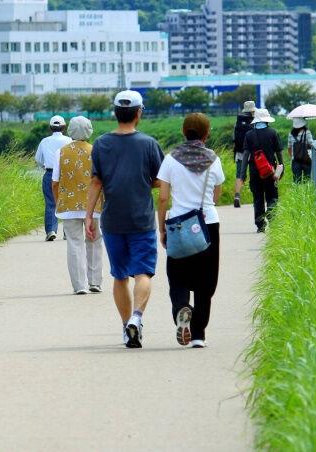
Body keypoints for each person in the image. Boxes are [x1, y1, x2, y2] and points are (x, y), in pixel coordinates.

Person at [85, 90, 164, 348]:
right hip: (141, 219)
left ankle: (125, 327)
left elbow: (96, 181)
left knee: (120, 276)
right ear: (139, 113)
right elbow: (160, 180)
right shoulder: (149, 144)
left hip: (112, 220)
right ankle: (137, 318)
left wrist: (89, 216)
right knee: (143, 273)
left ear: (115, 113)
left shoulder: (102, 143)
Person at [156, 113, 225, 348]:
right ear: (206, 134)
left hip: (178, 224)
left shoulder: (170, 159)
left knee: (178, 278)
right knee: (206, 284)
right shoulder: (214, 159)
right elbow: (216, 195)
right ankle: (198, 335)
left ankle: (181, 309)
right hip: (208, 223)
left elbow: (163, 197)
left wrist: (161, 227)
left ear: (184, 132)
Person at [52, 116, 104, 295]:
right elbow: (102, 179)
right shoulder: (97, 150)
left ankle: (79, 285)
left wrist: (59, 200)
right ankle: (95, 282)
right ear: (89, 131)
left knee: (74, 244)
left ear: (70, 131)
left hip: (69, 205)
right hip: (94, 204)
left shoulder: (61, 152)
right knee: (94, 240)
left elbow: (55, 182)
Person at [240, 108, 284, 233]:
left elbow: (245, 156)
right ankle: (272, 219)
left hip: (254, 171)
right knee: (272, 196)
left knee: (258, 198)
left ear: (256, 121)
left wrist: (242, 174)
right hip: (271, 170)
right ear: (267, 120)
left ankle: (260, 225)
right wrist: (281, 168)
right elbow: (279, 153)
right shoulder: (273, 133)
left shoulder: (249, 135)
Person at [35, 115, 72, 241]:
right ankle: (67, 232)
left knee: (51, 203)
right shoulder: (69, 141)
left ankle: (51, 230)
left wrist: (43, 166)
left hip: (50, 173)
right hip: (66, 174)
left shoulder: (44, 141)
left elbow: (38, 159)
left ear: (50, 128)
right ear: (64, 128)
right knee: (67, 203)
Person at [232, 101, 255, 208]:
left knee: (239, 175)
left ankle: (237, 196)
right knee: (254, 174)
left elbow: (234, 139)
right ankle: (256, 196)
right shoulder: (254, 121)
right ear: (253, 110)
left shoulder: (238, 122)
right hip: (252, 152)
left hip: (240, 152)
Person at [287, 117, 314, 183]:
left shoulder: (291, 134)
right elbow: (312, 144)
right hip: (306, 159)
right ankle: (307, 193)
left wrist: (292, 157)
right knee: (307, 180)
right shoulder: (307, 132)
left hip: (295, 160)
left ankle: (297, 192)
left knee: (296, 180)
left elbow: (289, 147)